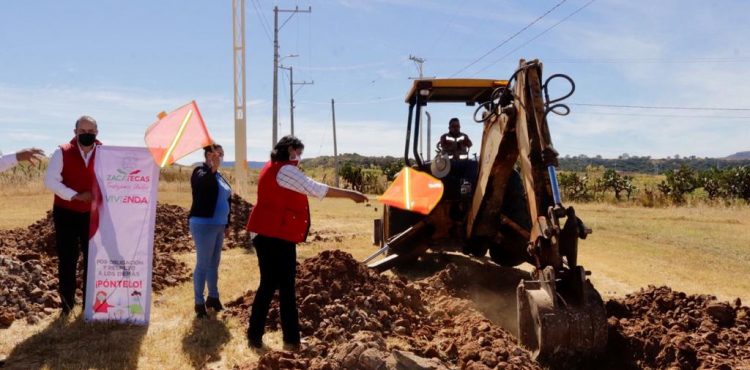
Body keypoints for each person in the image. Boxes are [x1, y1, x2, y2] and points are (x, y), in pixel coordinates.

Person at [245, 135, 368, 350]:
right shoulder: (285, 170)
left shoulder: (272, 167)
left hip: (270, 233)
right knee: (278, 286)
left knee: (275, 285)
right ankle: (280, 339)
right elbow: (314, 188)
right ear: (290, 149)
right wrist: (350, 194)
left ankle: (274, 338)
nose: (299, 157)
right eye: (298, 152)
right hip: (273, 234)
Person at [43, 115, 101, 315]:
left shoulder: (105, 152)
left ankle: (88, 304)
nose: (87, 135)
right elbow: (50, 181)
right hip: (65, 213)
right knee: (68, 258)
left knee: (91, 258)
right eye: (83, 131)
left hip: (92, 215)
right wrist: (75, 196)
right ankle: (67, 305)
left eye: (91, 132)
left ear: (97, 133)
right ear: (75, 132)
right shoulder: (62, 152)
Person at [188, 143, 232, 318]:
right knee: (203, 264)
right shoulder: (200, 172)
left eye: (221, 154)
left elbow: (227, 200)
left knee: (214, 264)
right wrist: (212, 169)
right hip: (203, 224)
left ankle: (213, 298)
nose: (219, 157)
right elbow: (201, 186)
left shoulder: (220, 175)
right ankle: (199, 303)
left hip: (219, 225)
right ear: (207, 155)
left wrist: (227, 224)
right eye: (216, 154)